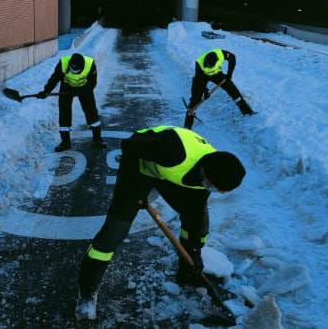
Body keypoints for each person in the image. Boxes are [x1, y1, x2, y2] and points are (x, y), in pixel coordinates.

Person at [75, 125, 246, 320]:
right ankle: (87, 291)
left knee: (197, 226)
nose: (212, 190)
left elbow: (195, 213)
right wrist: (136, 191)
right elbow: (129, 145)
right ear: (205, 172)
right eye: (212, 186)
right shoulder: (172, 150)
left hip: (168, 173)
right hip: (140, 165)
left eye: (217, 190)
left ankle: (187, 273)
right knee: (115, 231)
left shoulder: (211, 172)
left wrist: (195, 255)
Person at [38, 53, 107, 152]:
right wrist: (46, 91)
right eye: (72, 70)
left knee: (91, 111)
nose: (74, 73)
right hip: (66, 88)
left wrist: (81, 91)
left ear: (82, 67)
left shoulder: (90, 64)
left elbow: (92, 83)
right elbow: (54, 78)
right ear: (69, 65)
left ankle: (97, 139)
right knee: (64, 113)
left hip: (85, 88)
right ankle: (65, 142)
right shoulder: (63, 63)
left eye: (77, 71)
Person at [184, 48, 254, 130]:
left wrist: (229, 74)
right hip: (202, 77)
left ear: (216, 61)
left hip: (216, 74)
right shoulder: (199, 63)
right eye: (208, 65)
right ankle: (187, 125)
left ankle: (247, 112)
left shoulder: (221, 54)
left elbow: (233, 58)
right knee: (195, 98)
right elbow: (200, 81)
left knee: (232, 89)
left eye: (211, 65)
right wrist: (205, 91)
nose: (209, 66)